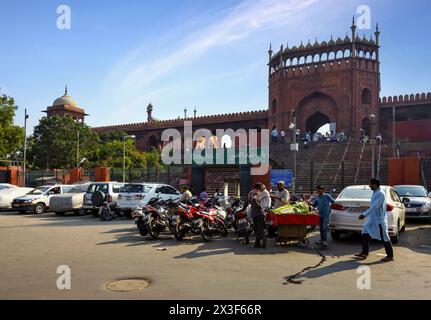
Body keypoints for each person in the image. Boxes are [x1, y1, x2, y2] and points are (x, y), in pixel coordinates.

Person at [354, 178, 394, 262]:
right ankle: (364, 252)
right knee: (364, 232)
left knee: (385, 237)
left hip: (379, 219)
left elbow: (375, 206)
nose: (369, 186)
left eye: (370, 184)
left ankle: (390, 256)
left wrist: (364, 214)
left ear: (375, 185)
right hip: (372, 219)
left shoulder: (380, 193)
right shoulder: (375, 192)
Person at [248, 183, 270, 249]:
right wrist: (261, 207)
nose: (261, 189)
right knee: (259, 229)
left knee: (258, 229)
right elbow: (255, 200)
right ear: (258, 187)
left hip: (254, 214)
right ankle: (258, 243)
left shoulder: (251, 192)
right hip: (259, 213)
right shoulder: (256, 192)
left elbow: (248, 201)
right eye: (260, 187)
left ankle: (258, 243)